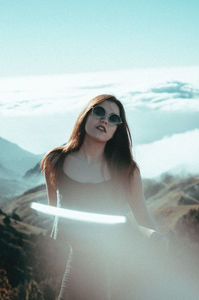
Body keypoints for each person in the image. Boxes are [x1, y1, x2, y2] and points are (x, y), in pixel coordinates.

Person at [40, 94, 161, 300]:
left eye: (114, 119)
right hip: (70, 271)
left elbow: (144, 220)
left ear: (116, 130)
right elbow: (55, 217)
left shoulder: (127, 171)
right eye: (99, 112)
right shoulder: (55, 161)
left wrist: (161, 245)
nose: (105, 120)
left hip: (112, 272)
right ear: (86, 115)